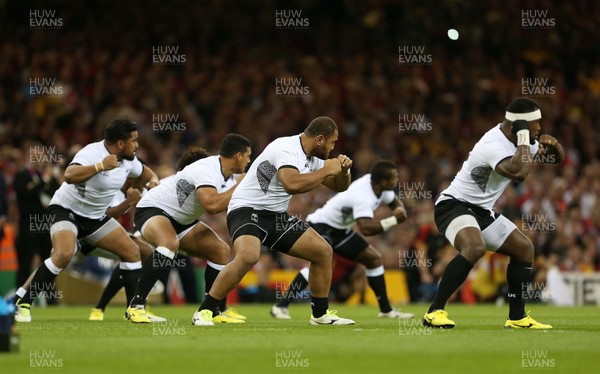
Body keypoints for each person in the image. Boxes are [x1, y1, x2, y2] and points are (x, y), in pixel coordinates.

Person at [193, 116, 355, 326]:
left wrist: (344, 170)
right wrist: (327, 169)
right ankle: (205, 310)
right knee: (249, 256)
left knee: (323, 252)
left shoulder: (312, 159)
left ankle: (320, 314)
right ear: (320, 139)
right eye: (332, 142)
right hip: (246, 208)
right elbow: (291, 184)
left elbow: (340, 186)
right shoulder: (285, 148)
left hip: (275, 216)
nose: (333, 148)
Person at [422, 97, 564, 329]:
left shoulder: (525, 141)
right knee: (475, 247)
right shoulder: (492, 144)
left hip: (481, 211)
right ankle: (434, 311)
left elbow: (557, 159)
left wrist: (554, 146)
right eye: (536, 123)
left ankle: (517, 317)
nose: (539, 128)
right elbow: (518, 173)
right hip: (453, 206)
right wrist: (524, 141)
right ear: (521, 126)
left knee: (524, 249)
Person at [15, 119, 159, 322]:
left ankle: (134, 310)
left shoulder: (129, 160)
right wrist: (100, 166)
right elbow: (69, 175)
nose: (137, 145)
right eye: (134, 141)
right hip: (67, 211)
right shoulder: (91, 152)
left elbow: (147, 173)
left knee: (133, 251)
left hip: (95, 219)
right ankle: (23, 304)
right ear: (120, 143)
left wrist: (153, 181)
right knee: (63, 254)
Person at [126, 134, 252, 323]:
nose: (249, 160)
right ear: (238, 155)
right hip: (153, 209)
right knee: (168, 243)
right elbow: (211, 206)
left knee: (220, 250)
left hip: (182, 221)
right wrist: (240, 187)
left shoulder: (232, 175)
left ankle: (212, 310)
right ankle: (135, 307)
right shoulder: (206, 169)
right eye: (248, 155)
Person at [270, 160, 415, 319]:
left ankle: (386, 310)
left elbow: (394, 202)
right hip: (321, 225)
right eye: (395, 177)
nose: (397, 180)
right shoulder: (363, 195)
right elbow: (366, 228)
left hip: (339, 230)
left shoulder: (380, 186)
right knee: (318, 264)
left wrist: (399, 208)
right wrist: (394, 220)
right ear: (383, 181)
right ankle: (281, 306)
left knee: (373, 259)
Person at [13, 144, 60, 299]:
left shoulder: (47, 177)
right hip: (28, 225)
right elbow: (27, 194)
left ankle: (52, 300)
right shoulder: (21, 175)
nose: (41, 159)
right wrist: (44, 179)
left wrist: (46, 179)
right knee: (26, 262)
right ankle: (18, 297)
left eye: (42, 156)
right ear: (29, 156)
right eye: (37, 155)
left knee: (49, 262)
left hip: (46, 225)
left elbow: (56, 194)